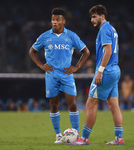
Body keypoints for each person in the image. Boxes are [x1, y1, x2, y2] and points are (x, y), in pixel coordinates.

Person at [29, 8, 90, 144]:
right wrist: (41, 65)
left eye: (57, 20)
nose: (54, 22)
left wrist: (77, 67)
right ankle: (58, 135)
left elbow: (86, 52)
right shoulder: (45, 36)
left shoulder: (71, 36)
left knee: (73, 105)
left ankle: (76, 135)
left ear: (63, 21)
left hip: (67, 75)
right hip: (51, 75)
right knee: (54, 106)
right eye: (53, 19)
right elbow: (32, 51)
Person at [70, 5, 124, 145]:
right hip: (115, 70)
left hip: (106, 72)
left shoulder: (105, 29)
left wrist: (99, 71)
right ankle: (119, 139)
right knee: (114, 105)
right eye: (91, 17)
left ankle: (84, 138)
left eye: (94, 16)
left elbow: (108, 52)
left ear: (102, 16)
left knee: (90, 104)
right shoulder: (112, 28)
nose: (92, 20)